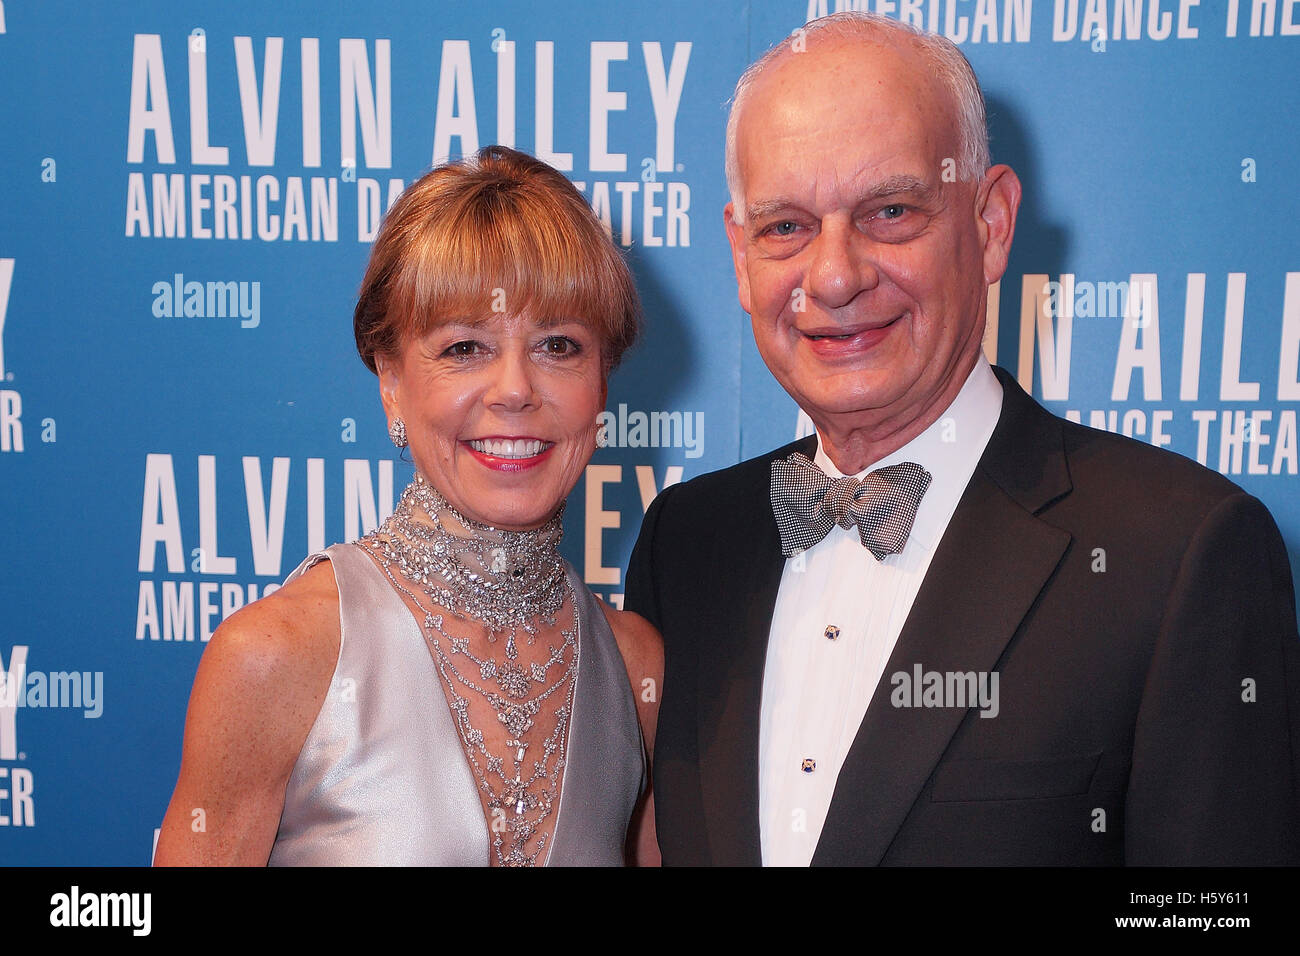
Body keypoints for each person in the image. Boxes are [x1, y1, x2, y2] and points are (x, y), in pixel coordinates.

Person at [625, 12, 1300, 865]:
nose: (834, 276)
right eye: (786, 226)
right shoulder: (685, 543)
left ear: (989, 223)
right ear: (739, 253)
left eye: (891, 211)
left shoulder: (1177, 553)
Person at [156, 145, 662, 867]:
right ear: (390, 379)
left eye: (558, 344)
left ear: (603, 382)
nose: (515, 389)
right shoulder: (277, 656)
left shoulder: (637, 666)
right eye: (464, 348)